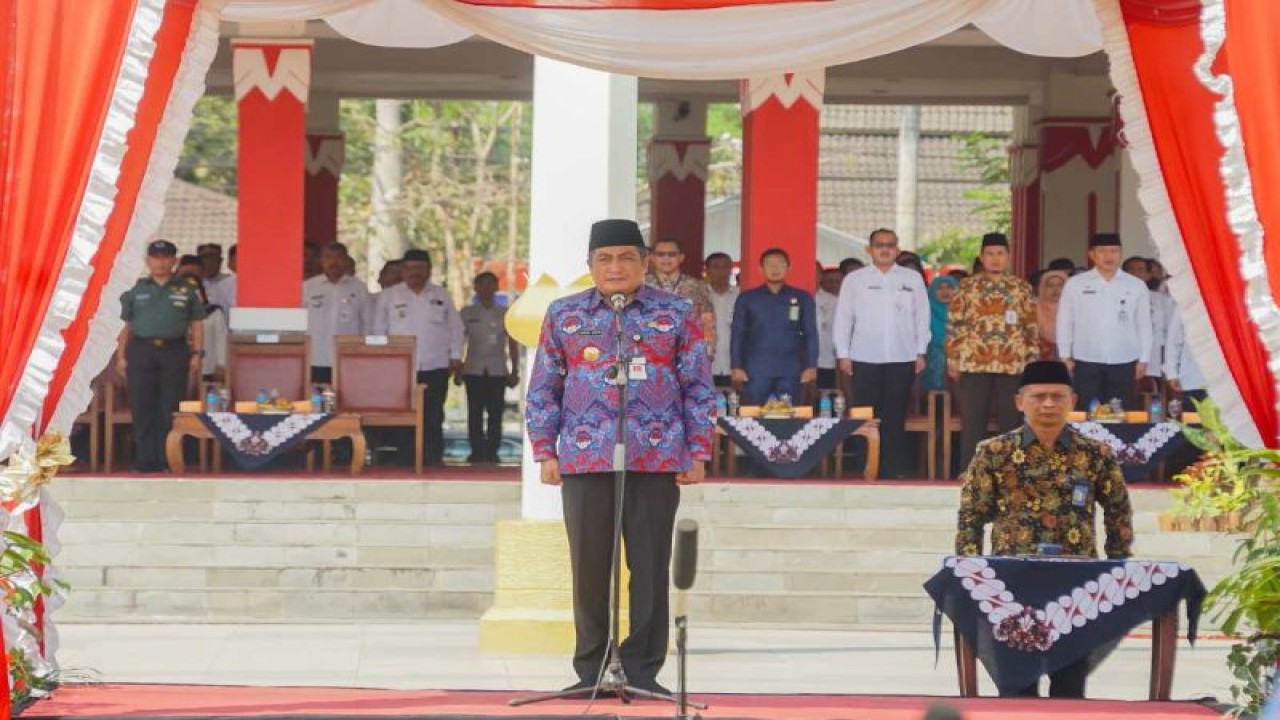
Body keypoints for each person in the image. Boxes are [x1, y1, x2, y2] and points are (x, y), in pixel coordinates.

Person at [526, 218, 714, 697]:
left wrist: (698, 450)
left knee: (650, 566)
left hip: (656, 455)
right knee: (589, 565)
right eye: (604, 259)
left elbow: (697, 385)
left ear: (644, 262)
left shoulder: (675, 312)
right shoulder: (564, 314)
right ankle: (591, 669)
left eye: (626, 257)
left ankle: (642, 668)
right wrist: (545, 449)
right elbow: (545, 386)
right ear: (589, 266)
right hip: (585, 458)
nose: (615, 267)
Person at [955, 360, 1134, 699]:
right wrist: (971, 573)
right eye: (1039, 397)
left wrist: (1117, 568)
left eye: (1057, 396)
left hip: (1076, 587)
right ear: (1020, 401)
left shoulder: (1095, 454)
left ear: (1073, 400)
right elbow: (971, 518)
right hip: (1012, 584)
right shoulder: (994, 453)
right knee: (1017, 686)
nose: (1049, 404)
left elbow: (1117, 512)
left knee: (1070, 684)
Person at [834, 228, 930, 478]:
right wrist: (843, 353)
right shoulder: (855, 279)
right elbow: (844, 317)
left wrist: (921, 351)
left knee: (895, 414)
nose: (885, 249)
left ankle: (892, 468)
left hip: (903, 356)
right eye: (879, 245)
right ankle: (866, 466)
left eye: (890, 245)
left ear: (897, 250)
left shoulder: (912, 278)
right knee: (865, 414)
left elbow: (922, 317)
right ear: (869, 249)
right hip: (864, 357)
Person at [946, 233, 1038, 469]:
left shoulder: (1021, 288)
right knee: (973, 420)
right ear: (981, 257)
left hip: (1013, 363)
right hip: (974, 361)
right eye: (990, 254)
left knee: (1012, 420)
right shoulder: (967, 287)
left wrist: (1032, 361)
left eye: (1000, 254)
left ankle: (1009, 471)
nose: (995, 259)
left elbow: (1030, 326)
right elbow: (954, 324)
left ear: (1008, 257)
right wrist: (953, 359)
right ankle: (971, 471)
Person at [115, 240, 206, 473]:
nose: (161, 262)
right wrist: (121, 356)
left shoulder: (187, 289)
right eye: (156, 257)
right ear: (148, 261)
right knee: (142, 405)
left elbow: (197, 323)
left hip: (175, 351)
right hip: (142, 350)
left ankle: (166, 459)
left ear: (174, 261)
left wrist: (196, 353)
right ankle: (145, 460)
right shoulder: (136, 289)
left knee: (170, 406)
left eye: (166, 257)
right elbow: (125, 325)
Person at [372, 248, 463, 467]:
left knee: (433, 414)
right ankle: (404, 457)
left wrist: (456, 356)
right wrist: (381, 362)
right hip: (399, 366)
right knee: (402, 414)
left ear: (429, 270)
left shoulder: (440, 295)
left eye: (421, 268)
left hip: (436, 364)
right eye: (410, 268)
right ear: (402, 270)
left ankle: (432, 458)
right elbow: (378, 330)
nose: (415, 273)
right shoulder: (390, 295)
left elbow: (456, 328)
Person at [1057, 233, 1152, 410]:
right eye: (1102, 251)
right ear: (1091, 254)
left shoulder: (1136, 285)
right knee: (1087, 411)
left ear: (1121, 253)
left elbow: (1144, 324)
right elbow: (1065, 320)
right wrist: (1064, 355)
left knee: (1122, 412)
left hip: (1124, 358)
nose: (1109, 256)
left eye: (1114, 251)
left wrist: (1144, 358)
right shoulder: (1076, 284)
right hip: (1086, 358)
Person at [730, 248, 818, 405]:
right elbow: (738, 334)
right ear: (761, 269)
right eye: (770, 265)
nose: (775, 269)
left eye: (780, 265)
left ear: (789, 268)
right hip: (756, 369)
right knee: (752, 420)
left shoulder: (802, 297)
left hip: (791, 368)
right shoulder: (747, 298)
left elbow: (811, 333)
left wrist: (811, 365)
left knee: (790, 420)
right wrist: (736, 366)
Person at [456, 272, 519, 463]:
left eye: (490, 284)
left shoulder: (506, 313)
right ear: (475, 288)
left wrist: (514, 370)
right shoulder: (467, 313)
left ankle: (492, 451)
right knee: (474, 412)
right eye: (481, 284)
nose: (486, 288)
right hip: (473, 368)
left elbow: (513, 344)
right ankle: (476, 451)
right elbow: (459, 342)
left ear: (496, 287)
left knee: (495, 413)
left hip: (497, 369)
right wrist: (458, 368)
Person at [303, 243, 372, 384]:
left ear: (347, 260)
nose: (334, 262)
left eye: (339, 257)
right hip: (315, 357)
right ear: (321, 261)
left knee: (347, 401)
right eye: (329, 257)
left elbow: (368, 323)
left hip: (348, 356)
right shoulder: (307, 287)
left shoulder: (359, 288)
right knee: (316, 401)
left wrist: (364, 351)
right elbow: (297, 323)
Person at [645, 238, 715, 352]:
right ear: (652, 258)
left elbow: (707, 322)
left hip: (687, 352)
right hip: (649, 353)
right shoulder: (640, 286)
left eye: (671, 254)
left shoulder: (697, 286)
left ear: (681, 257)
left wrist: (707, 352)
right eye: (660, 254)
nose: (666, 258)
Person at [704, 252, 738, 388]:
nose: (721, 271)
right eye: (716, 267)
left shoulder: (741, 296)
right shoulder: (700, 296)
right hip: (707, 364)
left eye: (725, 267)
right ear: (707, 271)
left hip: (735, 365)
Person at [922, 275, 959, 393]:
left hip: (958, 350)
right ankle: (936, 399)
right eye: (940, 288)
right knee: (938, 358)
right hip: (933, 351)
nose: (945, 292)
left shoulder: (964, 311)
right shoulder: (926, 312)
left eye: (949, 287)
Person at [1163, 308, 1207, 406]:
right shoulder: (1186, 304)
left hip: (1223, 382)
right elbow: (1173, 342)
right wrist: (1172, 373)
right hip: (1192, 378)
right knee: (1191, 418)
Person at [815, 267, 843, 391]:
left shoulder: (834, 301)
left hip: (828, 361)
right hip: (800, 363)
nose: (833, 285)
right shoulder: (796, 297)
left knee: (825, 403)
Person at [1034, 269, 1069, 360]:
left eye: (1060, 285)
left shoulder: (1076, 309)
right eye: (1050, 285)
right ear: (1043, 288)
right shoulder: (1033, 309)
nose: (1055, 290)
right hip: (1041, 360)